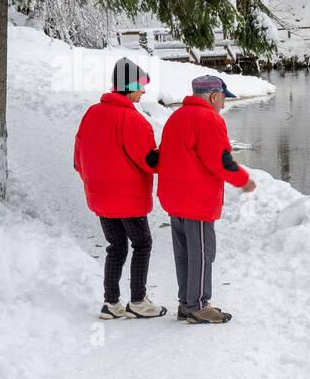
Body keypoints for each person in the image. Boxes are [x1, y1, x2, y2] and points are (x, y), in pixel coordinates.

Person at [73, 58, 168, 319]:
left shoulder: (92, 114)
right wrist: (168, 151)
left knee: (116, 245)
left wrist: (92, 181)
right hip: (127, 197)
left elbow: (78, 158)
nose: (144, 91)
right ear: (131, 84)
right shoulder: (132, 119)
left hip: (100, 196)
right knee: (142, 243)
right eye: (142, 86)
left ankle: (111, 303)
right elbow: (149, 162)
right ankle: (138, 301)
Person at [157, 75, 256, 324]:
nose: (223, 104)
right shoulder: (209, 119)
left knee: (185, 253)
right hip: (196, 199)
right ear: (213, 96)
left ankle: (186, 303)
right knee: (202, 253)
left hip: (174, 197)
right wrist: (243, 180)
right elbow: (219, 160)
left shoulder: (176, 117)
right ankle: (199, 305)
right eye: (223, 98)